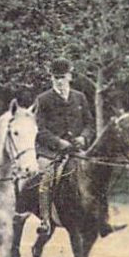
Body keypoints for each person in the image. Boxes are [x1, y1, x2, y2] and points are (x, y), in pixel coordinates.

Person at [32, 59, 94, 235]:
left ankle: (94, 213)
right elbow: (39, 129)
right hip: (50, 152)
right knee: (46, 177)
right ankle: (45, 219)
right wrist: (58, 142)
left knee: (93, 173)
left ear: (70, 77)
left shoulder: (80, 97)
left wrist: (84, 137)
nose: (59, 81)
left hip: (75, 149)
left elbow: (90, 123)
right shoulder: (43, 100)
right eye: (55, 77)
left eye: (62, 77)